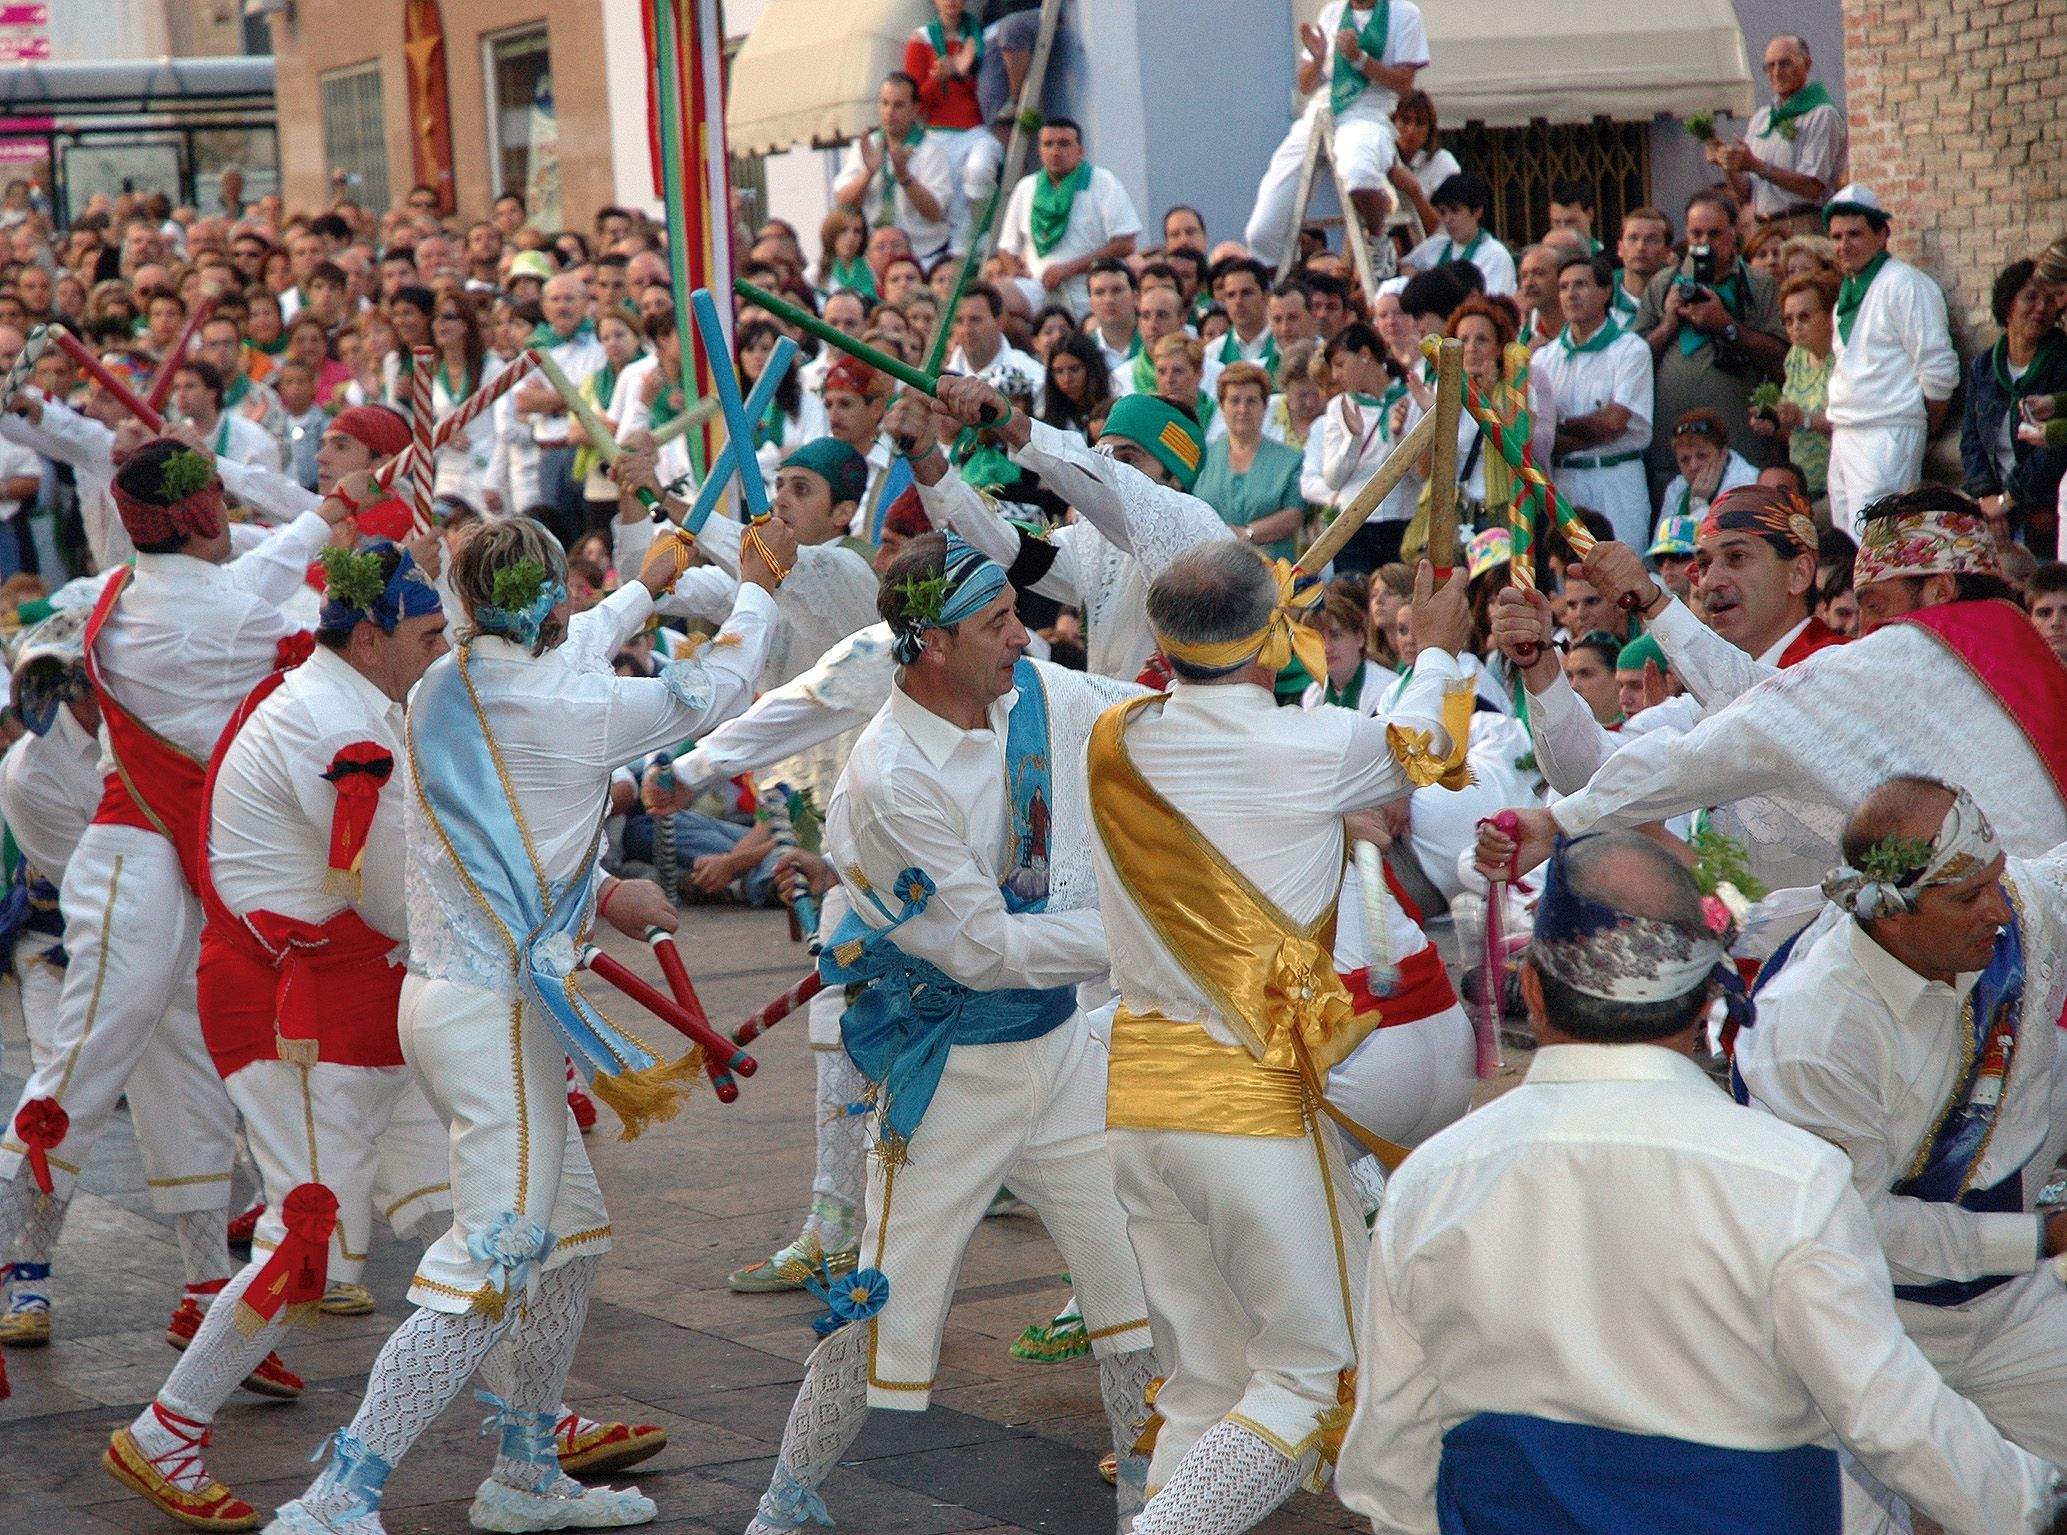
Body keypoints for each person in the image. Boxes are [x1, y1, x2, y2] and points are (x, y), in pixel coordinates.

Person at [269, 509, 792, 1535]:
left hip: (451, 1006)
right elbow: (719, 686)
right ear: (549, 603)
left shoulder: (447, 680)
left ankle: (524, 1467)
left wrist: (643, 585)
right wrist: (761, 585)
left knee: (571, 1238)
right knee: (496, 1255)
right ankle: (338, 1495)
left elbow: (576, 644)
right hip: (496, 1019)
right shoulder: (571, 703)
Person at [1340, 830, 2067, 1535]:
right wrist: (2034, 1507)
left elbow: (1390, 1466)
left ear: (1530, 987)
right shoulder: (1789, 1182)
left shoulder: (1429, 1182)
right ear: (1702, 1007)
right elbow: (1892, 1422)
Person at [737, 530, 1158, 1535]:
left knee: (1135, 1288)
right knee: (877, 1313)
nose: (1024, 635)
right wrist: (1147, 935)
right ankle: (781, 1507)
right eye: (998, 621)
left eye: (1017, 613)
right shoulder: (887, 779)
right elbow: (982, 947)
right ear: (932, 643)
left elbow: (1147, 717)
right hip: (951, 1075)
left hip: (1060, 1050)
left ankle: (1149, 1505)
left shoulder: (1034, 694)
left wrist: (1241, 702)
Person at [1088, 544, 1473, 1535]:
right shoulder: (1319, 745)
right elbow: (1430, 742)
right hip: (1245, 1108)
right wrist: (1434, 647)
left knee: (1206, 1379)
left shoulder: (1115, 738)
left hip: (1135, 1103)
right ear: (1273, 636)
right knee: (1313, 1375)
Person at [0, 443, 355, 1392]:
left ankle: (205, 1288)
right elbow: (292, 616)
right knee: (86, 1064)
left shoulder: (122, 589)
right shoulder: (227, 618)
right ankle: (16, 1263)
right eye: (219, 501)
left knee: (192, 1074)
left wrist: (325, 518)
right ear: (200, 514)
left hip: (178, 872)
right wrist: (366, 538)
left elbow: (245, 577)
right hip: (132, 868)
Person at [1740, 778, 2067, 1533]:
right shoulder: (1814, 1033)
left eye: (1996, 880)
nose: (1999, 909)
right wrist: (2040, 1236)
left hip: (2010, 1304)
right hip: (1861, 1327)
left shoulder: (2016, 909)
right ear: (1889, 912)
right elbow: (1851, 1228)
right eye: (1967, 897)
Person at [1487, 489, 2067, 897]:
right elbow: (1591, 769)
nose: (1712, 582)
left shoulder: (1889, 661)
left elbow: (1757, 723)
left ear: (1800, 573)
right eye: (1703, 564)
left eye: (1737, 558)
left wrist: (1561, 824)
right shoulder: (2007, 653)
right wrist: (1540, 664)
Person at [908, 377, 1233, 681]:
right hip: (1112, 717)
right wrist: (927, 458)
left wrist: (1009, 421)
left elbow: (1106, 484)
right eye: (1101, 455)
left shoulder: (1197, 526)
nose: (1111, 468)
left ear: (1175, 477)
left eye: (1127, 459)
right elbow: (1009, 551)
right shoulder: (1093, 542)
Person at [1242, 0, 1430, 270]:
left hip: (1368, 112)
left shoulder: (1404, 14)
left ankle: (1378, 239)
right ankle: (1285, 280)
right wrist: (1318, 60)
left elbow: (1405, 85)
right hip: (1321, 111)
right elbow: (1306, 85)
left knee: (1359, 174)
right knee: (1261, 232)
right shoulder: (1332, 12)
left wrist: (1359, 59)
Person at [1823, 186, 1959, 535]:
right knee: (1846, 539)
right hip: (1846, 431)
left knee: (1879, 537)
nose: (1844, 245)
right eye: (1837, 237)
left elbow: (1939, 370)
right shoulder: (1847, 293)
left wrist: (1925, 429)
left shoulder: (1904, 284)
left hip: (1887, 431)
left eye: (1854, 234)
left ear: (1882, 234)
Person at [1637, 188, 1789, 490]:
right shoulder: (1663, 283)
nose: (1704, 243)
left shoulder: (1758, 285)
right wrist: (1668, 324)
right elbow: (1634, 361)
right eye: (1696, 234)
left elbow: (1781, 358)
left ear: (1734, 234)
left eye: (1714, 233)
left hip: (1740, 447)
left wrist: (1727, 326)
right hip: (1672, 454)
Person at [1538, 254, 1656, 549]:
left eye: (1581, 285)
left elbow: (1614, 423)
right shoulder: (1543, 358)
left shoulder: (1631, 349)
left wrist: (1560, 427)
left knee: (1623, 567)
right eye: (1564, 287)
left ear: (1605, 292)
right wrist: (1590, 427)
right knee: (1566, 569)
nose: (1571, 294)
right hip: (1564, 483)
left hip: (1616, 481)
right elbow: (1539, 437)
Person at [1961, 258, 2067, 542]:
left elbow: (2054, 449)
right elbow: (1971, 439)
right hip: (1995, 510)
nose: (2041, 308)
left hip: (2045, 510)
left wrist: (2007, 500)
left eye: (2050, 300)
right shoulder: (1984, 367)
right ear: (2007, 304)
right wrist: (1987, 496)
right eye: (2030, 297)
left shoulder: (2061, 362)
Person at [997, 119, 1142, 315]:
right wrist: (1014, 270)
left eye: (1064, 144)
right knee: (998, 297)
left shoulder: (1102, 182)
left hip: (1090, 288)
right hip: (1039, 287)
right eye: (1048, 144)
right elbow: (1006, 248)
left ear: (1080, 151)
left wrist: (1068, 269)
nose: (1055, 151)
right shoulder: (1026, 187)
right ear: (1039, 151)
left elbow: (1126, 244)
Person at [1713, 34, 1850, 233]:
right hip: (1763, 227)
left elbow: (1812, 187)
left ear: (1807, 64)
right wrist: (1727, 163)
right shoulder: (1762, 118)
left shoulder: (1822, 115)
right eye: (1770, 66)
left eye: (1785, 64)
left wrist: (1755, 165)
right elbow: (1746, 194)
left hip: (1802, 223)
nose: (1776, 72)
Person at [833, 74, 956, 267]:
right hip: (875, 255)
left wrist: (904, 177)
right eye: (885, 103)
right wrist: (868, 174)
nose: (889, 112)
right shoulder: (866, 145)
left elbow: (935, 212)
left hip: (923, 255)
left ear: (915, 109)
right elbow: (843, 203)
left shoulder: (931, 150)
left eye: (898, 105)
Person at [1194, 362, 1306, 558]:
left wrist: (1247, 533)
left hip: (1270, 567)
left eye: (1252, 401)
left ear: (1265, 406)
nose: (1242, 409)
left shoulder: (1291, 459)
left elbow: (1294, 515)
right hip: (1209, 563)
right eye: (1234, 400)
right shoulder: (1201, 456)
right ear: (1222, 406)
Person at [1755, 271, 1837, 500]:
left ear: (1830, 315)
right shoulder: (1796, 356)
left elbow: (1852, 422)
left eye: (1804, 317)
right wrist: (1774, 422)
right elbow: (1793, 427)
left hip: (1837, 483)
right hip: (1803, 483)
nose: (1795, 326)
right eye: (1788, 320)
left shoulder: (1845, 358)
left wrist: (1803, 418)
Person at [1402, 173, 1516, 297]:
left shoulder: (1495, 256)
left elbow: (1491, 303)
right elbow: (1404, 267)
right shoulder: (1435, 244)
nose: (1447, 219)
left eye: (1455, 211)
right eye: (1443, 212)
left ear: (1477, 212)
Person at [1657, 406, 1759, 527]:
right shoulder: (1677, 488)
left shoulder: (1746, 487)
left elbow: (1723, 536)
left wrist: (1698, 502)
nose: (1693, 466)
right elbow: (1660, 537)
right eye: (1685, 459)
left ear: (1723, 454)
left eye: (1702, 456)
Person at [1385, 90, 1457, 245]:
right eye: (1405, 121)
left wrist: (1414, 192)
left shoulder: (1442, 163)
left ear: (1429, 130)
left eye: (1420, 123)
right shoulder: (1381, 159)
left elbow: (1446, 230)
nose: (1411, 130)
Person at [1037, 329, 1111, 438]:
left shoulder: (1115, 409)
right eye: (1059, 371)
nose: (1067, 379)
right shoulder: (1044, 418)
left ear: (1091, 369)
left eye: (1074, 369)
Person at [1611, 206, 1672, 321]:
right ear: (1620, 248)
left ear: (1667, 252)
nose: (1640, 247)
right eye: (1633, 238)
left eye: (1651, 239)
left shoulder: (1679, 297)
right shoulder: (1598, 296)